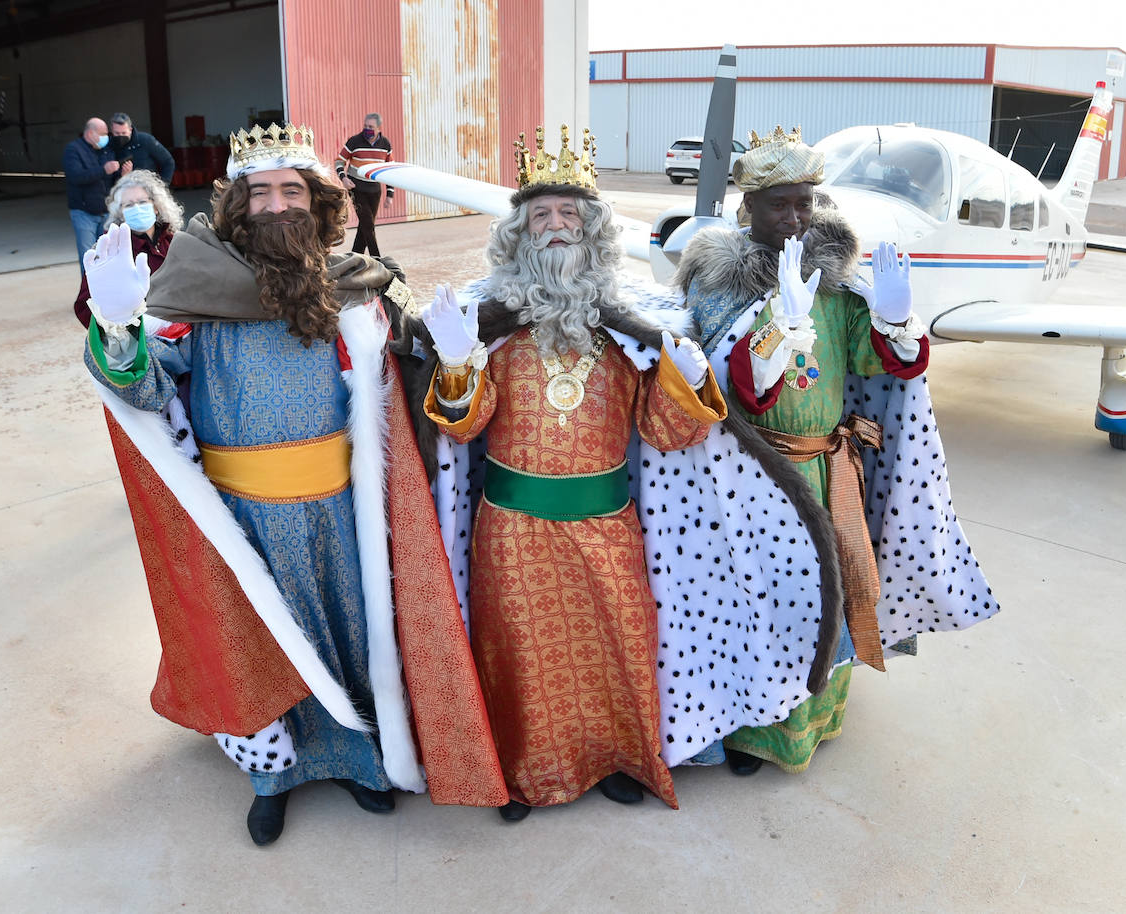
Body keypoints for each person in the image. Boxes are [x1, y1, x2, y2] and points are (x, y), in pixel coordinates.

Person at [80, 122, 505, 846]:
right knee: (261, 643)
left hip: (341, 508)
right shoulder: (195, 288)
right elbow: (147, 394)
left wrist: (457, 363)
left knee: (347, 634)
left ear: (318, 203)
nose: (278, 206)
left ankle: (356, 762)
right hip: (242, 516)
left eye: (292, 190)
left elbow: (416, 377)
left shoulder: (359, 288)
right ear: (237, 206)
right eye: (261, 192)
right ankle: (271, 775)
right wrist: (118, 326)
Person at [412, 125, 726, 822]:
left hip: (607, 526)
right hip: (513, 531)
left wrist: (687, 379)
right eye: (541, 216)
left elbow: (666, 434)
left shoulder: (633, 323)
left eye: (570, 215)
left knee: (610, 647)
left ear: (594, 231)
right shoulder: (487, 320)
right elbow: (461, 425)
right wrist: (460, 365)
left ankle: (612, 756)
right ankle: (524, 773)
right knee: (520, 657)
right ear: (519, 234)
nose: (556, 228)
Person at [667, 125, 999, 775]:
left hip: (829, 468)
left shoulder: (837, 282)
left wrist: (896, 321)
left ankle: (816, 718)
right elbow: (718, 386)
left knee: (829, 592)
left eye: (805, 203)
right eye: (779, 205)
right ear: (749, 209)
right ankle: (754, 730)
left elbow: (880, 369)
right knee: (754, 595)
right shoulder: (716, 279)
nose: (795, 218)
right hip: (751, 475)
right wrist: (777, 332)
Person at [74, 169, 182, 328]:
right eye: (129, 205)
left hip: (182, 331)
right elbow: (84, 306)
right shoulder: (108, 251)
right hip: (139, 338)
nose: (137, 208)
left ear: (156, 206)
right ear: (121, 213)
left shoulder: (175, 242)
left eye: (143, 202)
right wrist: (120, 323)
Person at [336, 113, 394, 256]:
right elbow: (339, 161)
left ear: (379, 128)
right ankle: (377, 258)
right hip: (357, 188)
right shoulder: (354, 141)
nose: (367, 129)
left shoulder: (385, 145)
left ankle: (355, 256)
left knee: (364, 227)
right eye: (365, 126)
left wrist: (390, 195)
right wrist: (343, 178)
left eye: (371, 127)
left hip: (375, 190)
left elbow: (390, 170)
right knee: (368, 225)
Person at [63, 117, 117, 268]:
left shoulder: (105, 150)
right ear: (90, 133)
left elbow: (112, 180)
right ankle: (88, 291)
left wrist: (122, 173)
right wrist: (103, 170)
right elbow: (76, 177)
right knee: (88, 258)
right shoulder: (73, 150)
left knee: (108, 256)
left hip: (105, 212)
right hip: (84, 213)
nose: (106, 137)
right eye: (103, 134)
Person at [108, 113, 175, 183]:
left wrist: (163, 185)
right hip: (122, 189)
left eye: (124, 133)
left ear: (130, 130)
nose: (120, 136)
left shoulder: (146, 140)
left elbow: (168, 162)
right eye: (117, 133)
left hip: (147, 187)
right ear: (112, 131)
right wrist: (122, 176)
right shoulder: (109, 146)